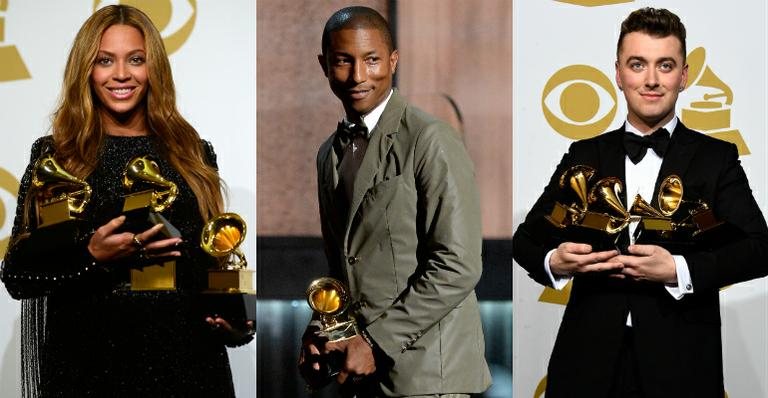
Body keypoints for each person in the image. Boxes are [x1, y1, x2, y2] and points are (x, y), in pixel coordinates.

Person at [513, 7, 768, 398]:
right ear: (618, 74)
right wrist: (555, 262)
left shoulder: (716, 158)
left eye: (665, 65)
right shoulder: (585, 155)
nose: (651, 80)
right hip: (584, 367)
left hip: (682, 367)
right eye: (638, 64)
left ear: (683, 76)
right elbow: (526, 241)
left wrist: (678, 269)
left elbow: (758, 249)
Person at [0, 5, 251, 397]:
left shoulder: (193, 154)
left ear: (154, 69)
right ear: (86, 69)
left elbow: (219, 259)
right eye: (105, 61)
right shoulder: (57, 157)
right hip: (86, 371)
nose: (121, 74)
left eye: (136, 59)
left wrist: (240, 319)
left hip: (187, 369)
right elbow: (18, 274)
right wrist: (91, 255)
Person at [298, 6, 491, 397]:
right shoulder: (328, 154)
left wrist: (376, 341)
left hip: (430, 375)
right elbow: (344, 265)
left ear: (393, 61)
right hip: (363, 373)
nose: (358, 76)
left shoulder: (430, 139)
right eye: (343, 61)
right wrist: (321, 331)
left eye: (371, 60)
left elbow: (458, 264)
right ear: (324, 65)